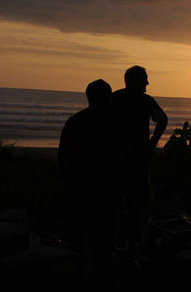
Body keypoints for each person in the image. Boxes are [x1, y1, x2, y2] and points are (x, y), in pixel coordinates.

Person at [58, 79, 126, 276]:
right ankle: (103, 283)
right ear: (107, 98)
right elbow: (123, 158)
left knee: (76, 239)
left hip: (78, 188)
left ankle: (75, 280)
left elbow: (63, 157)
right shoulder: (115, 123)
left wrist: (68, 182)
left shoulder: (74, 121)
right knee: (104, 240)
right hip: (106, 190)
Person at [112, 66, 167, 254]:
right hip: (137, 156)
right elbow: (162, 119)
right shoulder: (146, 101)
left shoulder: (115, 98)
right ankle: (132, 242)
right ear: (134, 80)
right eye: (145, 79)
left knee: (118, 200)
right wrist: (152, 144)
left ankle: (120, 242)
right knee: (135, 202)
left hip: (118, 156)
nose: (147, 83)